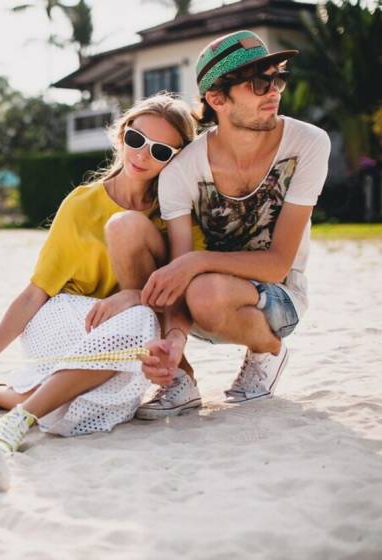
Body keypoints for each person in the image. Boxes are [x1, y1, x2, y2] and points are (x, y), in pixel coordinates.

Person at [0, 93, 202, 455]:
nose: (142, 155)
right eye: (136, 140)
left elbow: (178, 292)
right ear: (122, 134)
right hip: (65, 318)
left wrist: (134, 296)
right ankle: (18, 419)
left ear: (177, 159)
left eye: (161, 151)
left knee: (78, 414)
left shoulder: (177, 214)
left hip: (125, 334)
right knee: (139, 322)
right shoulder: (81, 204)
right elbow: (34, 294)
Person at [136, 30, 331, 418]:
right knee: (197, 291)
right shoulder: (182, 171)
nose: (272, 91)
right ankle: (185, 379)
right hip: (211, 300)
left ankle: (269, 350)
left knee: (203, 287)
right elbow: (179, 273)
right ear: (217, 99)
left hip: (281, 295)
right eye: (258, 83)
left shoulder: (309, 143)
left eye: (276, 78)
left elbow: (277, 265)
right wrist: (174, 341)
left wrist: (195, 263)